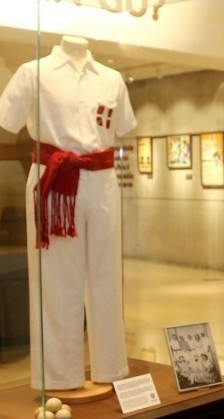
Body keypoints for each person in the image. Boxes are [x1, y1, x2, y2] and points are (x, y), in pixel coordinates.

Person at [0, 35, 136, 391]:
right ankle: (60, 376)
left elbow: (122, 126)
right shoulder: (33, 72)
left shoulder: (111, 78)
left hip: (103, 179)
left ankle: (111, 367)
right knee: (55, 280)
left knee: (107, 276)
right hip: (54, 180)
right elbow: (8, 119)